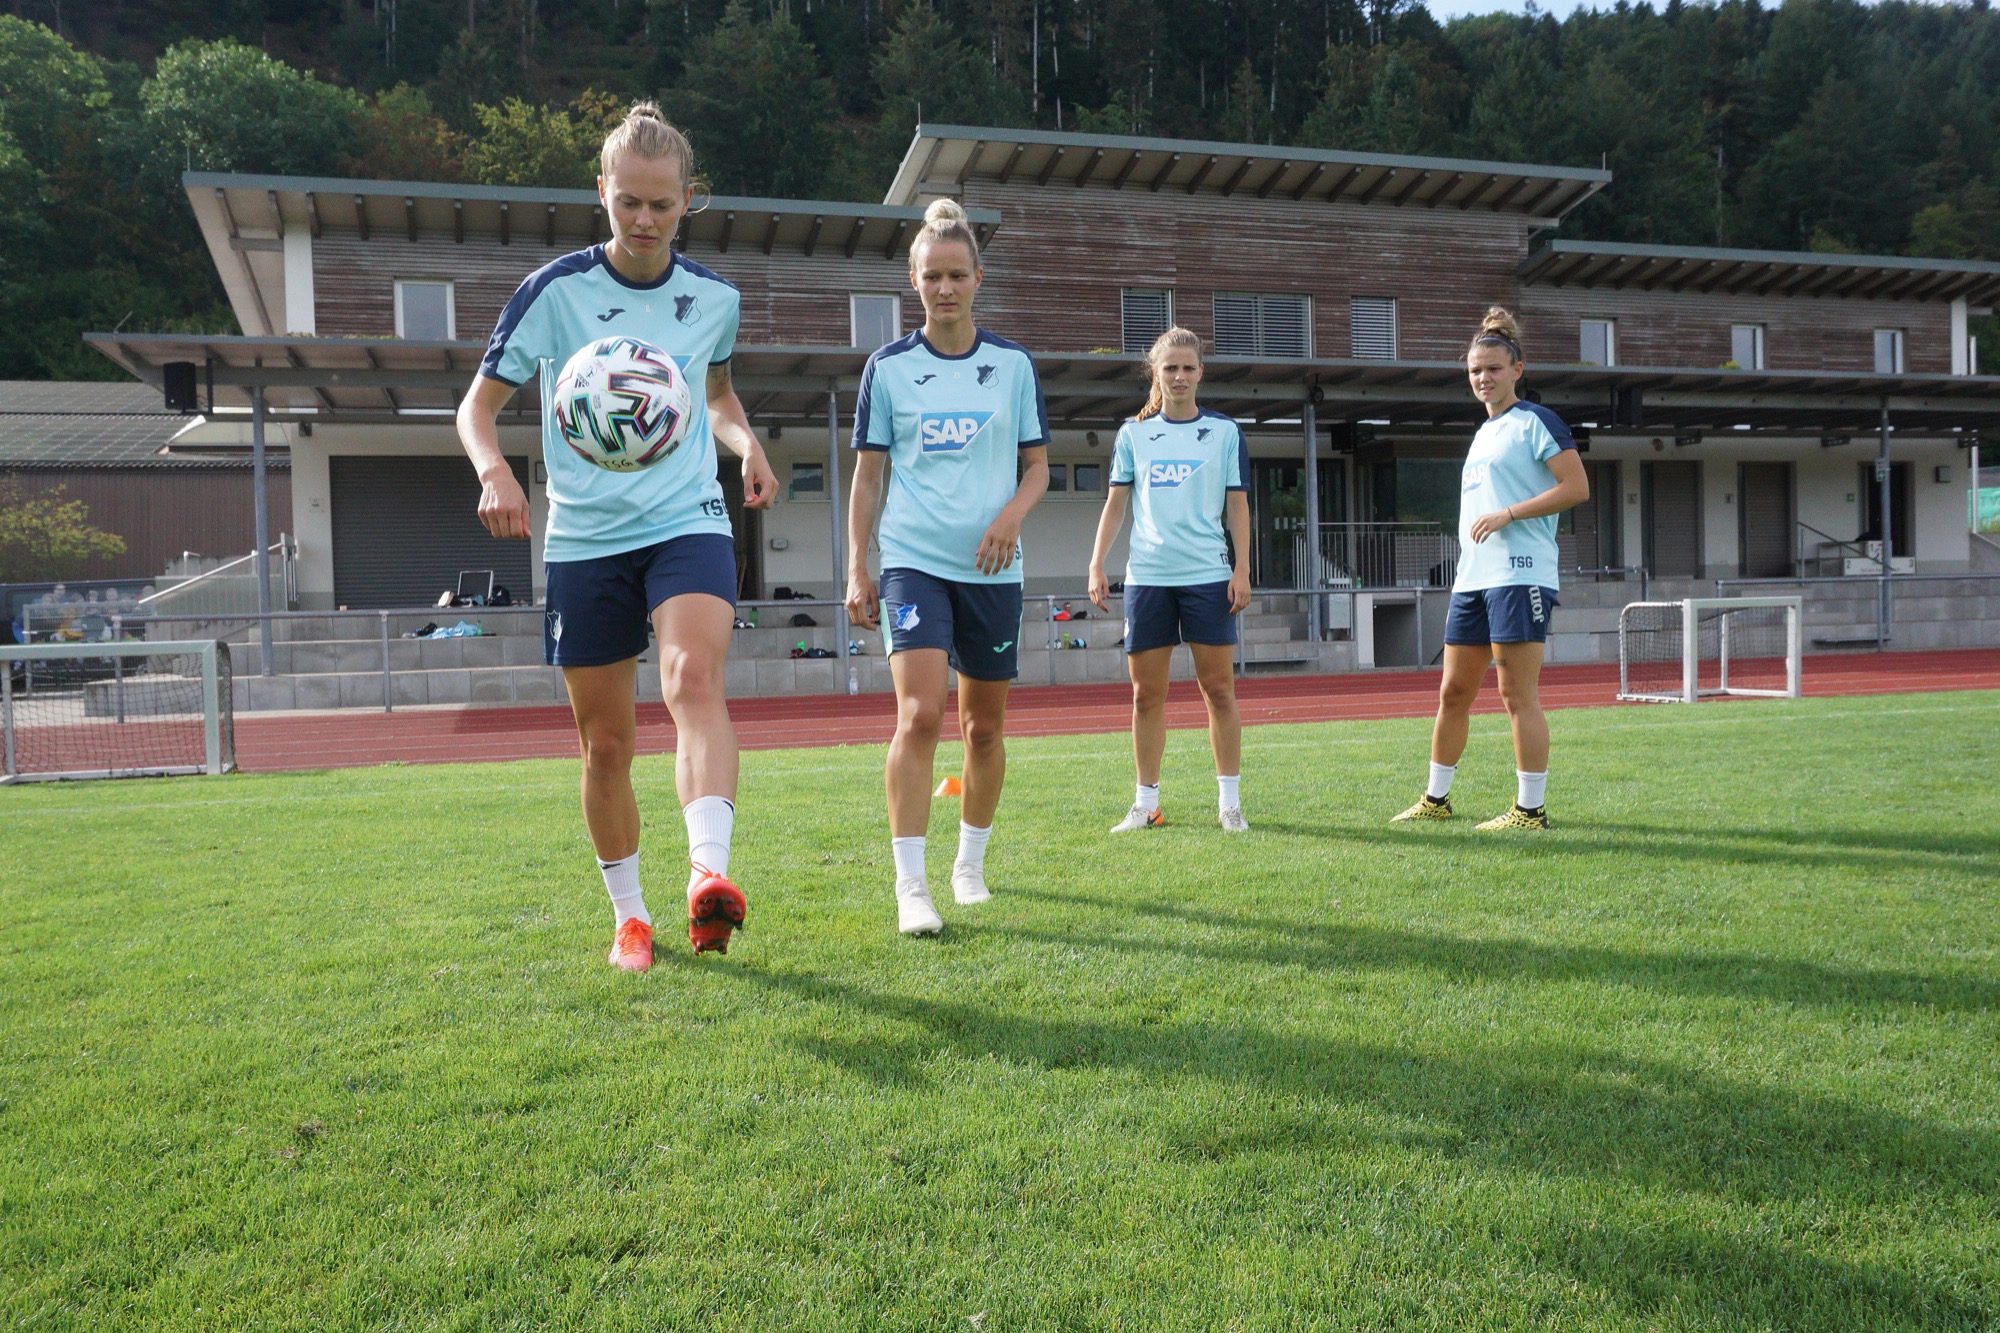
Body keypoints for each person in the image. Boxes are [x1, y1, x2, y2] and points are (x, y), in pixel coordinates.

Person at [456, 102, 777, 971]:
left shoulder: (714, 299)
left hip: (685, 519)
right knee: (605, 743)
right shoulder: (553, 293)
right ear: (601, 191)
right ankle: (630, 917)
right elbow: (476, 408)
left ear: (688, 201)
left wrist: (746, 444)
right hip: (585, 537)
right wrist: (494, 470)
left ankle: (708, 875)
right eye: (628, 201)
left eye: (661, 204)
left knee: (693, 675)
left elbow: (715, 395)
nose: (643, 219)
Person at [844, 199, 1050, 936]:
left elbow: (1038, 468)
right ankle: (911, 886)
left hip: (993, 571)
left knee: (983, 729)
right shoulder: (888, 368)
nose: (945, 288)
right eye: (932, 276)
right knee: (920, 714)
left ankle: (969, 866)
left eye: (957, 274)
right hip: (914, 562)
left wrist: (1010, 517)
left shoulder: (1012, 366)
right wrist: (857, 566)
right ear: (914, 281)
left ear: (978, 278)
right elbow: (868, 478)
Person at [1393, 307, 1589, 830]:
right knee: (1453, 692)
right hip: (1474, 580)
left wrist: (1510, 513)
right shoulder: (1484, 433)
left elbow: (1576, 487)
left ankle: (1530, 810)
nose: (1483, 378)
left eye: (1494, 369)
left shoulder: (1536, 422)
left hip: (1520, 575)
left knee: (1515, 694)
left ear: (1517, 370)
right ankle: (1436, 800)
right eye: (1475, 370)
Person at [1087, 327, 1253, 834]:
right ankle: (1147, 805)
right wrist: (1096, 563)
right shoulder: (1133, 434)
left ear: (1201, 372)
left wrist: (1242, 568)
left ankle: (1229, 805)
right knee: (1145, 696)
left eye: (1187, 367)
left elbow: (1238, 506)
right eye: (1170, 368)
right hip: (1149, 578)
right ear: (1155, 374)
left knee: (1218, 690)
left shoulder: (1225, 432)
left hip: (1208, 576)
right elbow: (1116, 504)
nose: (1179, 376)